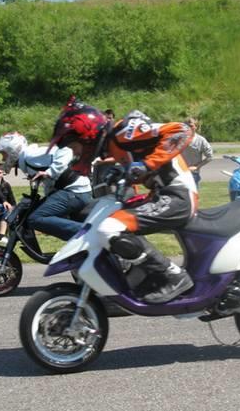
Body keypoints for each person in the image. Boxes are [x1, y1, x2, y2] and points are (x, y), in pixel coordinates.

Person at [50, 99, 196, 304]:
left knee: (108, 228)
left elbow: (181, 131)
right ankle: (143, 275)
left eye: (74, 146)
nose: (74, 153)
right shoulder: (115, 144)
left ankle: (172, 275)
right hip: (161, 195)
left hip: (177, 196)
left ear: (87, 135)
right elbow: (140, 165)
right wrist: (126, 172)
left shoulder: (125, 132)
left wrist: (146, 165)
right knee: (107, 222)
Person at [0, 126, 92, 242]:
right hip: (73, 191)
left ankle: (85, 232)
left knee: (35, 218)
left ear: (12, 151)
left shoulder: (30, 156)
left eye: (4, 154)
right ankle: (75, 243)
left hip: (75, 191)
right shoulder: (28, 160)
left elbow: (65, 151)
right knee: (33, 215)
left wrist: (50, 172)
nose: (3, 159)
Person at [181, 117, 214, 187]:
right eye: (186, 126)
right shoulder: (178, 139)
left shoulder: (201, 140)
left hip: (193, 174)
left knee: (192, 197)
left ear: (196, 127)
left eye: (191, 126)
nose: (188, 128)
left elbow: (210, 156)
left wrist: (197, 167)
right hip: (179, 173)